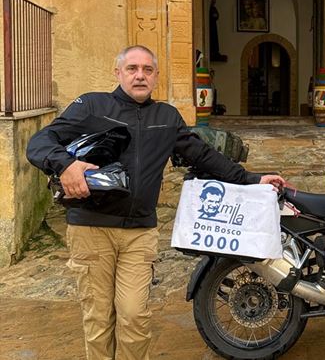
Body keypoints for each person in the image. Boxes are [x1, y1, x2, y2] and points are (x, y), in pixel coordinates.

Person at [26, 45, 284, 360]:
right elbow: (39, 143)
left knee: (134, 316)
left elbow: (203, 156)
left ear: (156, 77)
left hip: (139, 233)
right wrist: (65, 165)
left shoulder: (166, 117)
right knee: (98, 318)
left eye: (147, 70)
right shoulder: (92, 106)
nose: (140, 75)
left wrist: (253, 179)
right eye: (132, 68)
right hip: (91, 229)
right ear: (117, 72)